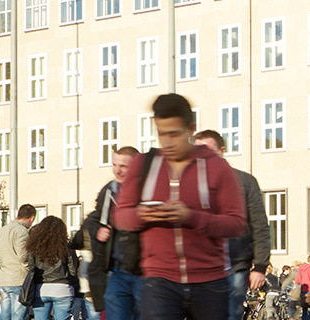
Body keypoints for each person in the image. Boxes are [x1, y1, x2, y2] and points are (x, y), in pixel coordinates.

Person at [111, 93, 248, 320]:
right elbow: (121, 216)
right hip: (158, 281)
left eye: (174, 134)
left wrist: (191, 217)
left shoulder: (216, 166)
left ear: (191, 129)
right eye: (162, 134)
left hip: (210, 282)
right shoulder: (143, 164)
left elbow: (236, 224)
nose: (167, 142)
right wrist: (144, 215)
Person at [193, 131, 272, 320]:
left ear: (221, 151)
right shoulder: (191, 185)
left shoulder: (245, 182)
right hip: (199, 266)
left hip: (234, 264)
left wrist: (260, 266)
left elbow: (260, 225)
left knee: (230, 314)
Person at [83, 147, 143, 320]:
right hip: (116, 271)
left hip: (143, 272)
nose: (117, 170)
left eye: (123, 166)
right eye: (114, 164)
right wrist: (98, 231)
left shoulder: (148, 191)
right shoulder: (109, 190)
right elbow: (93, 219)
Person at [26, 215, 83, 320]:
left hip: (41, 289)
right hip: (63, 289)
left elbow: (31, 268)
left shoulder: (34, 248)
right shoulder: (67, 247)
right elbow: (73, 270)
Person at [0, 204, 37, 320]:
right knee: (19, 315)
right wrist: (27, 267)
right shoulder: (22, 231)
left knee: (5, 315)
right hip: (19, 278)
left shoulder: (2, 230)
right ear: (31, 218)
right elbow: (23, 256)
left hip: (4, 279)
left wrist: (6, 264)